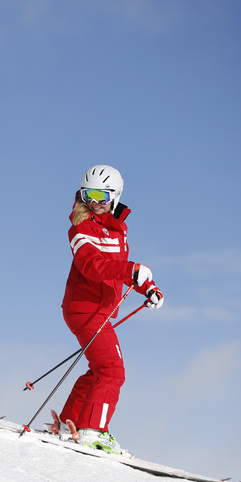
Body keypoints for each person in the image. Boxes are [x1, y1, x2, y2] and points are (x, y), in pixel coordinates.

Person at [59, 165, 164, 456]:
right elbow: (93, 266)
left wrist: (148, 286)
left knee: (98, 370)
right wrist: (133, 271)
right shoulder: (80, 228)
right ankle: (94, 430)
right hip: (85, 309)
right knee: (112, 371)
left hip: (98, 310)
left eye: (101, 196)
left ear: (115, 197)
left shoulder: (117, 230)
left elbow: (121, 271)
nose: (94, 202)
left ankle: (70, 425)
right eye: (88, 195)